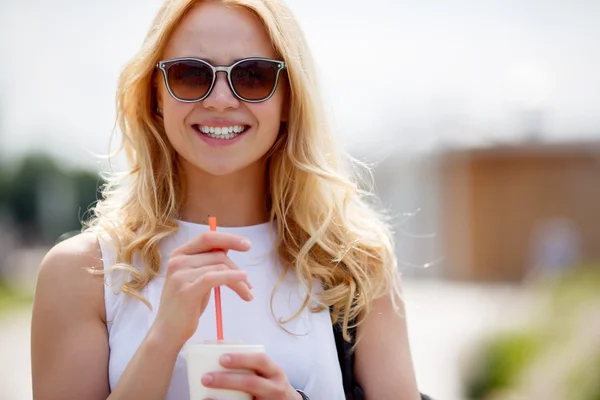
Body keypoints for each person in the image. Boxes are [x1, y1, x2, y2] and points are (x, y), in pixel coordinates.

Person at [30, 0, 423, 399]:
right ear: (156, 95)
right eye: (189, 75)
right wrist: (162, 340)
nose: (220, 99)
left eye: (253, 75)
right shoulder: (83, 275)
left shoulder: (356, 268)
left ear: (288, 98)